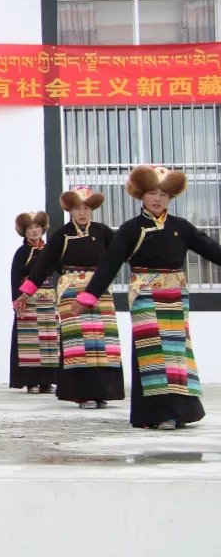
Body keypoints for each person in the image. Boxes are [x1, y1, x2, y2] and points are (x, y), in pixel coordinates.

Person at [69, 165, 221, 429]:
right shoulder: (131, 228)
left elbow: (211, 249)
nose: (158, 199)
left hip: (174, 294)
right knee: (152, 352)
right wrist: (88, 296)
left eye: (164, 194)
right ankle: (156, 413)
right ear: (141, 195)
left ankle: (181, 410)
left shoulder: (181, 227)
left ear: (171, 198)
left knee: (177, 352)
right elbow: (109, 264)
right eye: (152, 193)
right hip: (145, 294)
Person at [14, 187, 124, 408]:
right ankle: (83, 393)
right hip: (71, 291)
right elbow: (43, 265)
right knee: (78, 343)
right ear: (70, 211)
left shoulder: (103, 232)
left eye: (86, 208)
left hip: (99, 288)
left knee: (103, 342)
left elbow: (119, 256)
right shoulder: (61, 235)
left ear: (92, 209)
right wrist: (24, 294)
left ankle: (103, 392)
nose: (82, 213)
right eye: (77, 209)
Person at [8, 211, 59, 395]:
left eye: (37, 227)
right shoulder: (22, 252)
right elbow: (15, 278)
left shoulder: (49, 250)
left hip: (48, 299)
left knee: (49, 341)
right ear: (24, 231)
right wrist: (16, 299)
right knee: (29, 342)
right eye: (30, 228)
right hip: (27, 300)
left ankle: (47, 381)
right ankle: (31, 381)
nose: (34, 231)